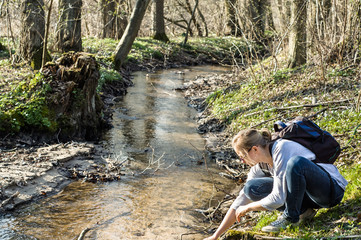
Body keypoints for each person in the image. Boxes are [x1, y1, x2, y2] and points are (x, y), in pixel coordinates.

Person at [204, 128, 348, 240]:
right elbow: (240, 200)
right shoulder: (260, 167)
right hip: (309, 197)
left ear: (254, 149)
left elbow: (278, 198)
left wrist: (249, 208)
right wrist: (216, 235)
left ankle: (290, 217)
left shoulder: (282, 148)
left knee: (296, 164)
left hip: (330, 192)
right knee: (251, 188)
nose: (242, 161)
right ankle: (304, 212)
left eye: (242, 157)